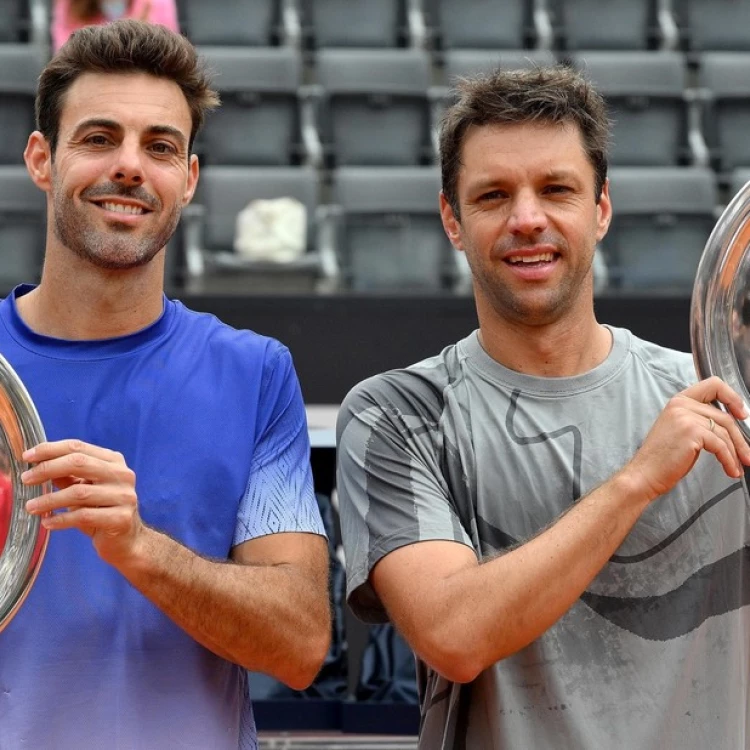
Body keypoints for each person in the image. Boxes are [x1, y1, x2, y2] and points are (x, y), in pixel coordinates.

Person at [336, 65, 750, 749]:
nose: (527, 219)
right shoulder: (397, 414)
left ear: (602, 208)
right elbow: (453, 636)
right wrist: (635, 481)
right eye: (494, 195)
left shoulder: (726, 397)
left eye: (557, 189)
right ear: (452, 220)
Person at [0, 20, 331, 750]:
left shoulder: (255, 374)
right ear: (41, 159)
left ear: (189, 177)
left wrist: (140, 548)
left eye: (159, 147)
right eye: (97, 139)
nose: (128, 167)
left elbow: (301, 644)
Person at [52, 0, 179, 51]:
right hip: (90, 79)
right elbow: (65, 52)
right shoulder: (70, 5)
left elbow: (167, 51)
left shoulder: (156, 3)